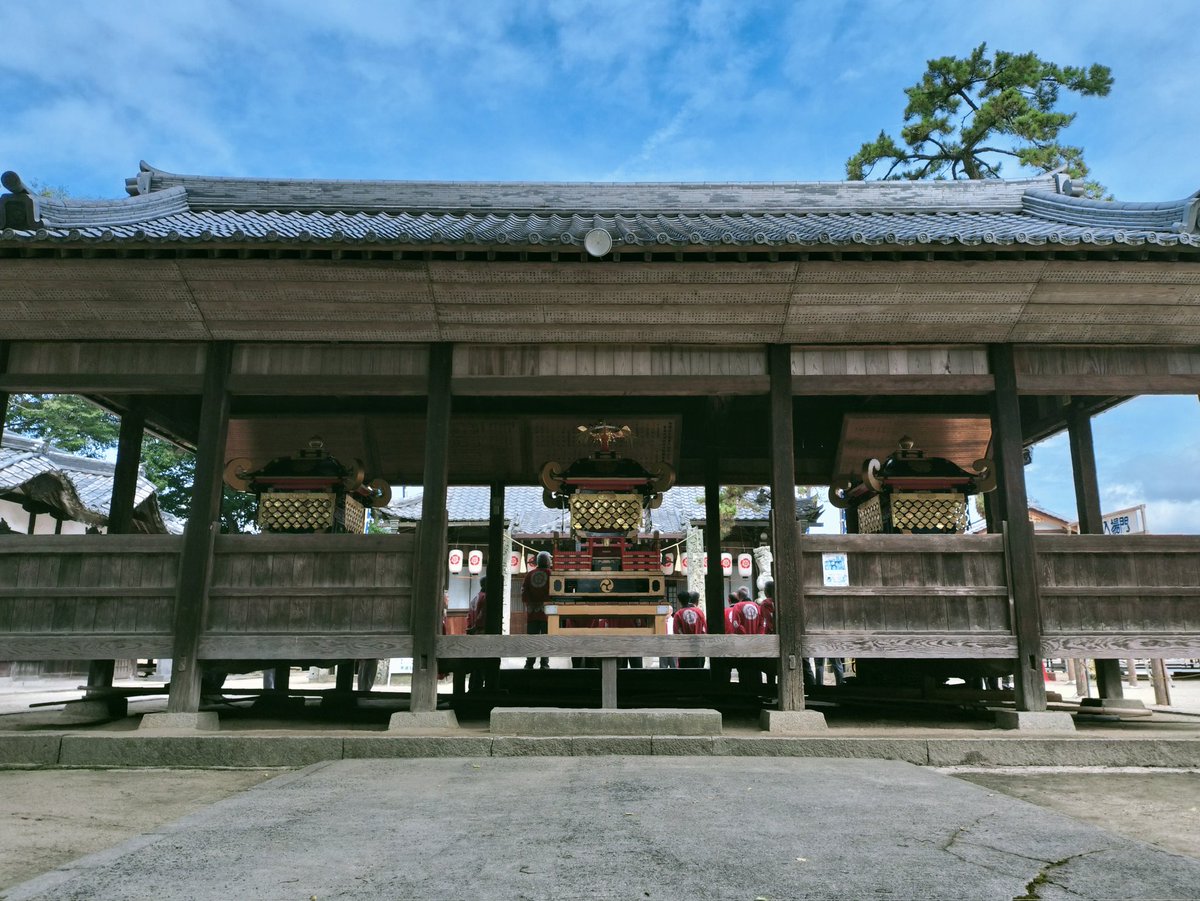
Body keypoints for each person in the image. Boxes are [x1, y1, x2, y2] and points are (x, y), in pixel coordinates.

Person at [727, 586, 766, 693]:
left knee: (744, 668)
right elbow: (762, 624)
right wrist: (757, 637)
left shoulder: (737, 607)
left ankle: (745, 691)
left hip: (743, 644)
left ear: (738, 596)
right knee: (756, 667)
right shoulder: (757, 607)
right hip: (756, 643)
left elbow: (736, 625)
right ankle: (758, 690)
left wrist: (745, 638)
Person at [523, 551, 552, 669]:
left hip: (532, 612)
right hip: (547, 613)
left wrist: (530, 605)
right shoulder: (551, 574)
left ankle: (529, 663)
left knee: (532, 639)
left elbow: (524, 592)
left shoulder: (529, 575)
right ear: (547, 561)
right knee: (545, 638)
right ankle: (544, 663)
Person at [672, 590, 707, 669]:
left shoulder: (678, 614)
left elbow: (676, 632)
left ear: (679, 601)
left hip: (685, 651)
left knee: (686, 677)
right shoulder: (699, 612)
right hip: (699, 649)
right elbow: (704, 630)